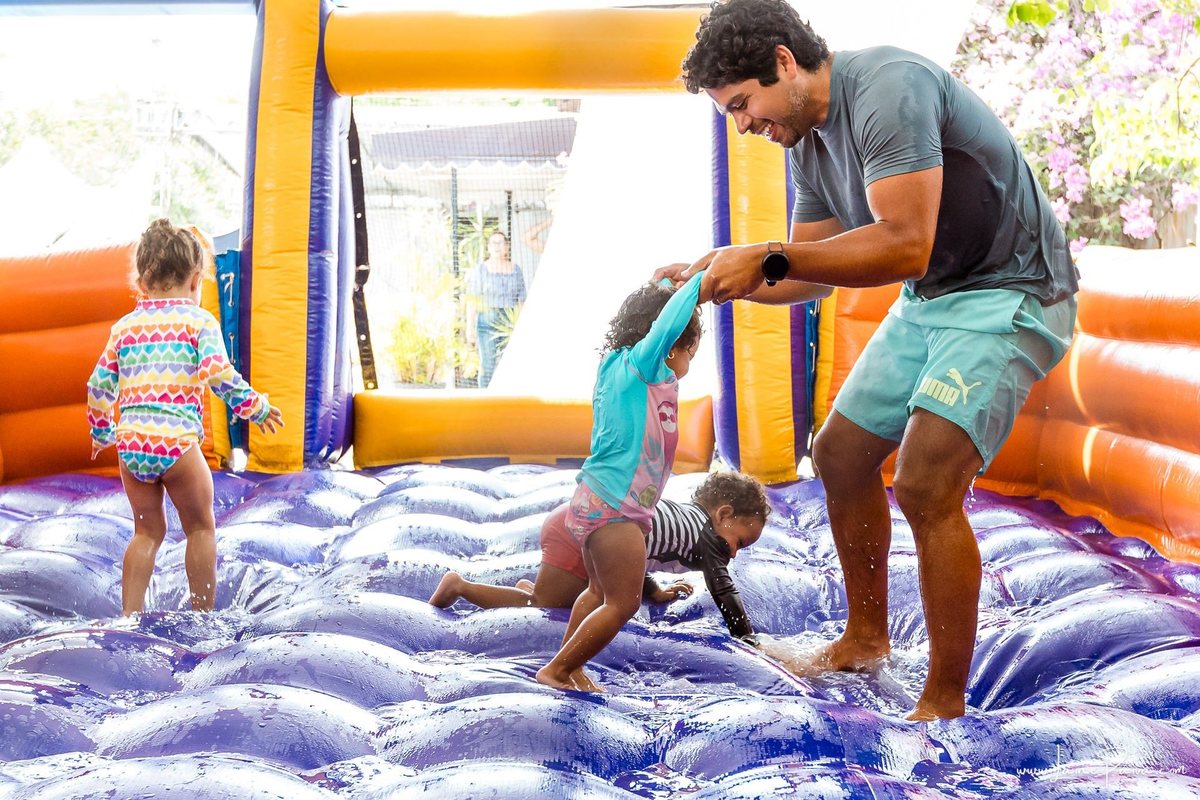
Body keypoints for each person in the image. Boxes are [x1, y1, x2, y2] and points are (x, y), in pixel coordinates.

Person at [664, 0, 1079, 720]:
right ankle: (864, 639)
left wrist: (763, 256)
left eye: (742, 104)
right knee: (842, 453)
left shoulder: (888, 86)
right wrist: (718, 281)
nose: (742, 126)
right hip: (934, 296)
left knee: (923, 481)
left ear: (784, 63)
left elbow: (903, 241)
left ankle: (943, 702)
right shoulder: (808, 145)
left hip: (1011, 289)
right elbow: (809, 271)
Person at [87, 218, 284, 616]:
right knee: (200, 528)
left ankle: (129, 617)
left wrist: (103, 432)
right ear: (196, 281)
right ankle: (202, 615)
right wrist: (255, 407)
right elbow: (216, 373)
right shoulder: (199, 322)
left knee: (146, 531)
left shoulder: (124, 328)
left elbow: (97, 386)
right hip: (176, 444)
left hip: (132, 447)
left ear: (140, 282)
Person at [535, 272, 713, 691]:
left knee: (598, 592)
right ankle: (558, 670)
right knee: (623, 602)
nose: (689, 364)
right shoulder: (643, 365)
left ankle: (569, 663)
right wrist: (700, 284)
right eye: (691, 353)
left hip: (593, 498)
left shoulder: (614, 362)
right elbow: (667, 324)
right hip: (618, 508)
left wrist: (665, 286)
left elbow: (659, 320)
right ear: (673, 349)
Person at [429, 470, 771, 644]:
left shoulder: (684, 517)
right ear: (724, 514)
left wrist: (652, 590)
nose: (734, 554)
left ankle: (546, 586)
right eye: (739, 541)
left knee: (564, 598)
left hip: (581, 522)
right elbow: (723, 589)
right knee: (541, 604)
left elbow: (634, 555)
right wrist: (746, 637)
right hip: (579, 532)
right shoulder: (706, 535)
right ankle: (460, 586)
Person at [465, 230, 527, 387]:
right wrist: (469, 329)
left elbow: (521, 301)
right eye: (494, 243)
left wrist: (521, 327)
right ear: (488, 247)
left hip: (509, 325)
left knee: (511, 367)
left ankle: (508, 406)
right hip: (486, 324)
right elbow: (472, 300)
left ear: (507, 247)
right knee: (487, 366)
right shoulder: (481, 269)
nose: (498, 246)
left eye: (501, 243)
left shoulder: (516, 270)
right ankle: (484, 405)